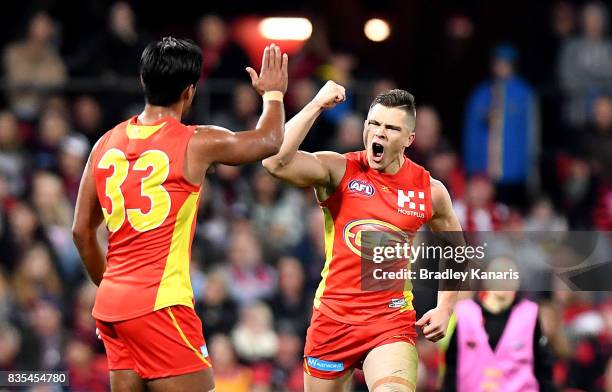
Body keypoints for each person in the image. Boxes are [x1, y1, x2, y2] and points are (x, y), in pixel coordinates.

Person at [72, 37, 288, 392]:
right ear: (189, 92)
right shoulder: (196, 142)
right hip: (160, 303)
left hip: (112, 306)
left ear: (144, 82)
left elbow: (82, 231)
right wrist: (274, 94)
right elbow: (269, 141)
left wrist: (115, 293)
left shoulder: (104, 144)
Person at [263, 83, 462, 392]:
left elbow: (455, 249)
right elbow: (274, 162)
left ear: (409, 139)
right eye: (374, 124)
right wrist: (316, 103)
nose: (379, 133)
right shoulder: (338, 169)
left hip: (389, 322)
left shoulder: (429, 191)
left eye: (391, 128)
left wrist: (445, 306)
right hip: (333, 320)